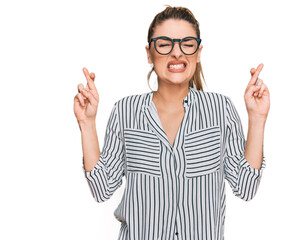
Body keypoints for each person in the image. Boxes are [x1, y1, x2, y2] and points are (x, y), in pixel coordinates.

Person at [74, 6, 270, 240]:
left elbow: (246, 187)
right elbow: (102, 187)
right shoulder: (125, 111)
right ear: (149, 53)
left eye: (187, 44)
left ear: (198, 52)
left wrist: (257, 119)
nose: (177, 53)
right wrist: (87, 122)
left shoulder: (221, 109)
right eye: (165, 44)